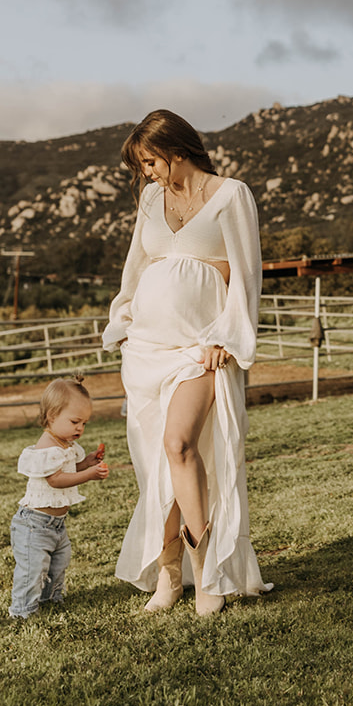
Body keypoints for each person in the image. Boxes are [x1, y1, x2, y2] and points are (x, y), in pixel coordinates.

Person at [103, 109, 271, 616]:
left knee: (180, 445)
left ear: (176, 151)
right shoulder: (152, 198)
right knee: (157, 465)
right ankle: (167, 575)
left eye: (150, 162)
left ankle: (207, 575)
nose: (146, 173)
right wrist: (124, 319)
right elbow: (140, 264)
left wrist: (227, 333)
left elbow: (245, 274)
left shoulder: (231, 195)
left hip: (200, 347)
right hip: (146, 349)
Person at [10, 377, 109, 620]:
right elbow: (56, 479)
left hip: (56, 525)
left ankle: (51, 598)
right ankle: (22, 611)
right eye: (75, 421)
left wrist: (87, 462)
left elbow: (70, 467)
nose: (80, 429)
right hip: (34, 525)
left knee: (59, 563)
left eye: (84, 423)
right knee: (33, 569)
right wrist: (88, 474)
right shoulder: (47, 446)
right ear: (52, 416)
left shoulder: (65, 444)